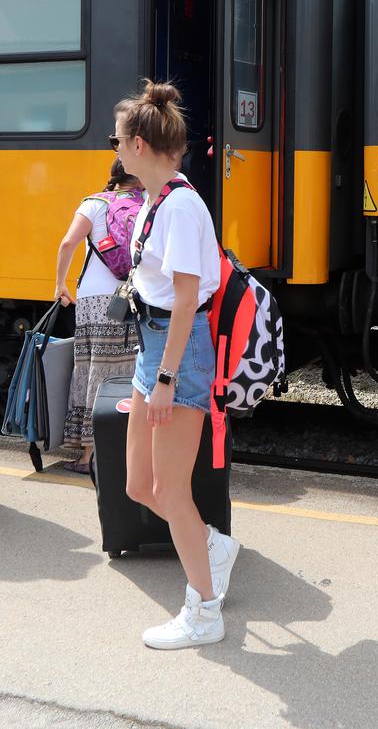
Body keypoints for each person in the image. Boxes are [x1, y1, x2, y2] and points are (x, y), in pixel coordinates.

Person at [114, 80, 241, 649]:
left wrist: (166, 379)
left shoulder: (180, 206)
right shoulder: (156, 199)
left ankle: (204, 611)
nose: (116, 149)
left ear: (139, 144)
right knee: (139, 485)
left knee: (170, 490)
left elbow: (187, 300)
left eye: (118, 140)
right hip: (157, 347)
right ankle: (211, 546)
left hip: (178, 354)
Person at [52, 158, 144, 473]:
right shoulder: (147, 205)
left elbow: (68, 243)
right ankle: (126, 452)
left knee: (95, 372)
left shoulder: (94, 203)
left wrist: (60, 284)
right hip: (132, 296)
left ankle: (89, 457)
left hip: (95, 300)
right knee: (129, 372)